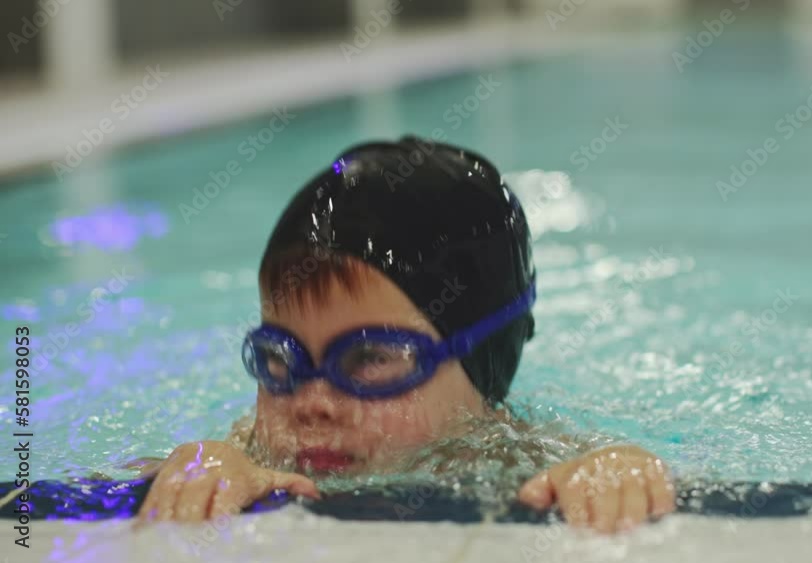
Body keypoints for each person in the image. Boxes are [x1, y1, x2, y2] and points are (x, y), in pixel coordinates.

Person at [136, 137, 675, 533]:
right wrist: (204, 464)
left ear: (481, 363)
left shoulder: (511, 456)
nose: (311, 404)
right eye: (280, 359)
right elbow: (152, 477)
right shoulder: (253, 446)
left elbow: (613, 464)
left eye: (369, 357)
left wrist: (619, 468)